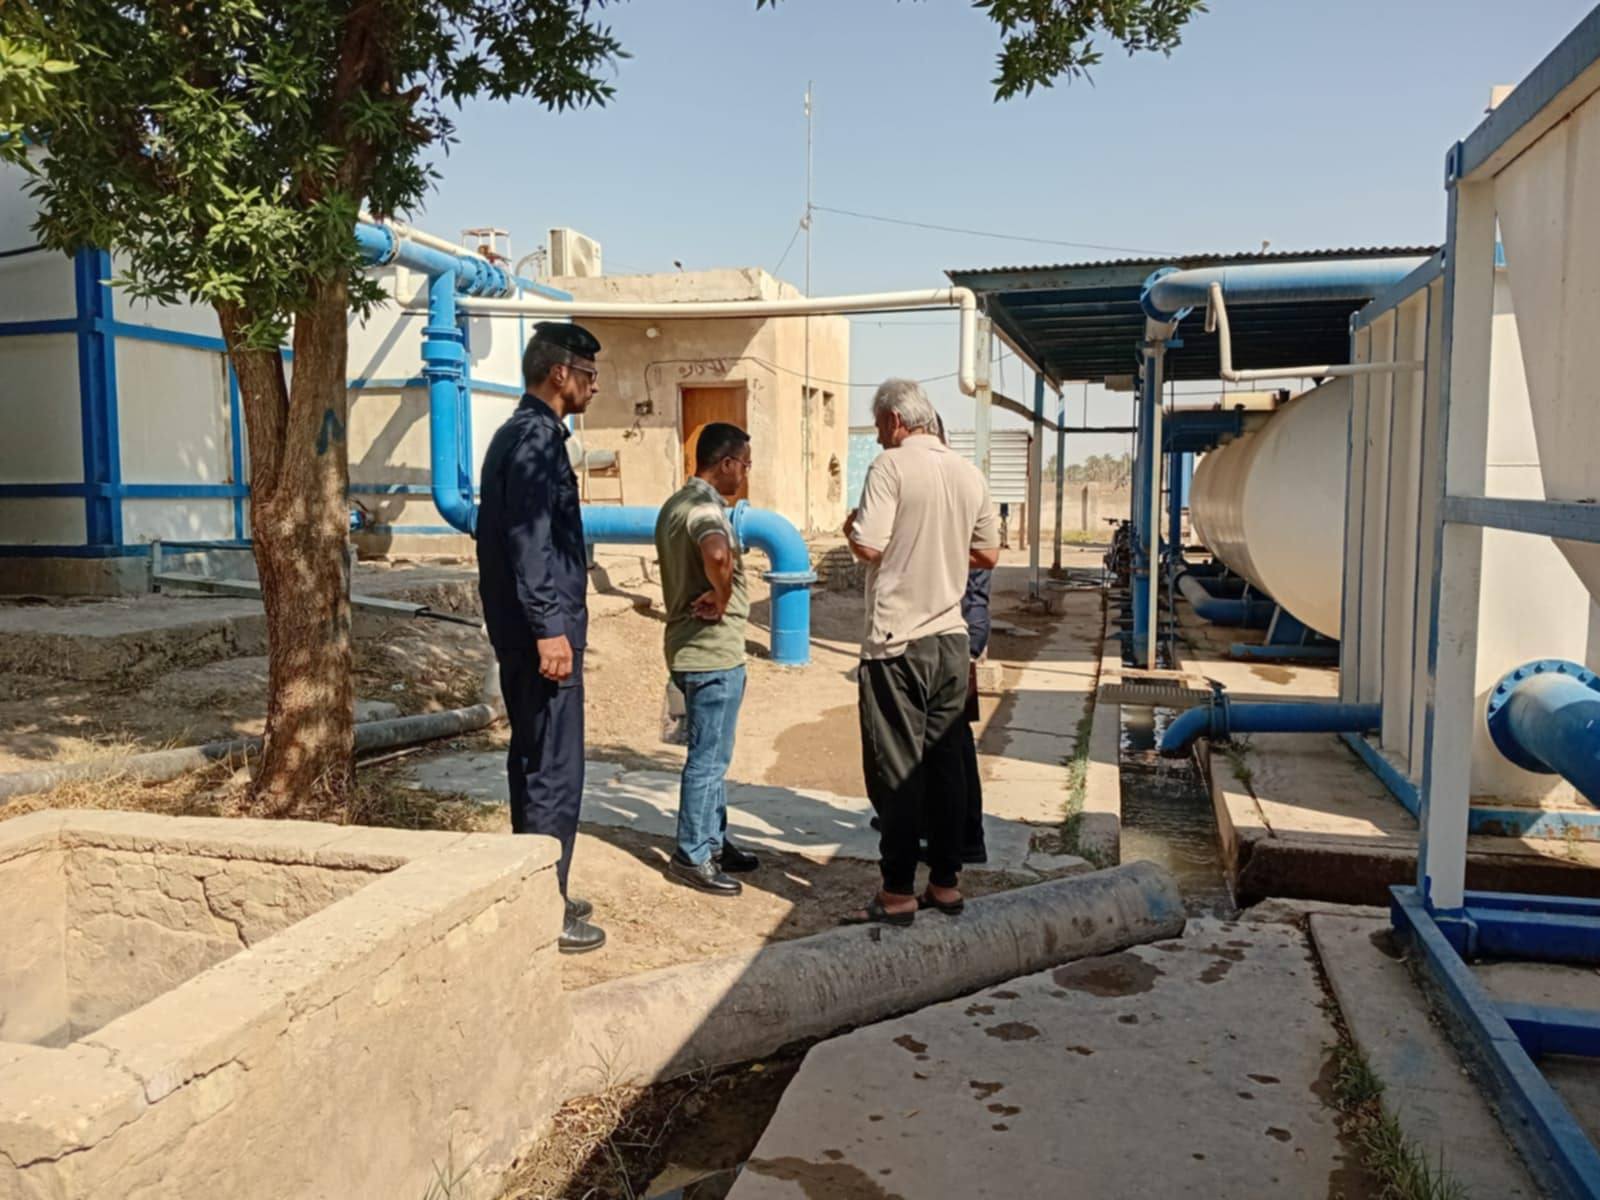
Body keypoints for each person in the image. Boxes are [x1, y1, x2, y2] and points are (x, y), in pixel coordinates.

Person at [843, 379, 1000, 926]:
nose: (879, 435)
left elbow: (869, 545)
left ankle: (896, 892)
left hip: (897, 642)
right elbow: (988, 553)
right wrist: (942, 553)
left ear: (894, 420)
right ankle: (946, 883)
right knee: (947, 766)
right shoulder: (968, 472)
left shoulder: (890, 467)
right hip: (951, 640)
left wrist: (852, 529)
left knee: (897, 769)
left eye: (879, 424)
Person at [477, 320, 606, 954]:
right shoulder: (534, 440)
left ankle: (537, 888)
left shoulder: (519, 434)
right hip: (540, 635)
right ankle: (544, 909)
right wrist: (550, 629)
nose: (593, 387)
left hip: (524, 629)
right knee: (553, 768)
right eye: (588, 375)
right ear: (560, 373)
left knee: (532, 758)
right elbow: (529, 544)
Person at [653, 422, 762, 895]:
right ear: (727, 463)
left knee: (712, 753)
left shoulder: (674, 505)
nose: (745, 474)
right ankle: (693, 853)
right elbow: (717, 554)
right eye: (745, 465)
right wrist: (722, 595)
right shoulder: (704, 509)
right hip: (711, 653)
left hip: (687, 648)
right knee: (708, 760)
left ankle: (714, 840)